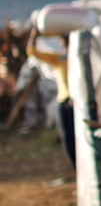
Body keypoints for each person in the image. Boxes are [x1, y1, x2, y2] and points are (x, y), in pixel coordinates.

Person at [26, 25, 76, 170]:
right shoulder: (58, 59)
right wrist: (34, 34)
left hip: (76, 102)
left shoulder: (79, 59)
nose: (63, 42)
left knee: (77, 136)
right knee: (66, 136)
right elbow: (32, 52)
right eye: (63, 40)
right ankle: (75, 168)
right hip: (63, 100)